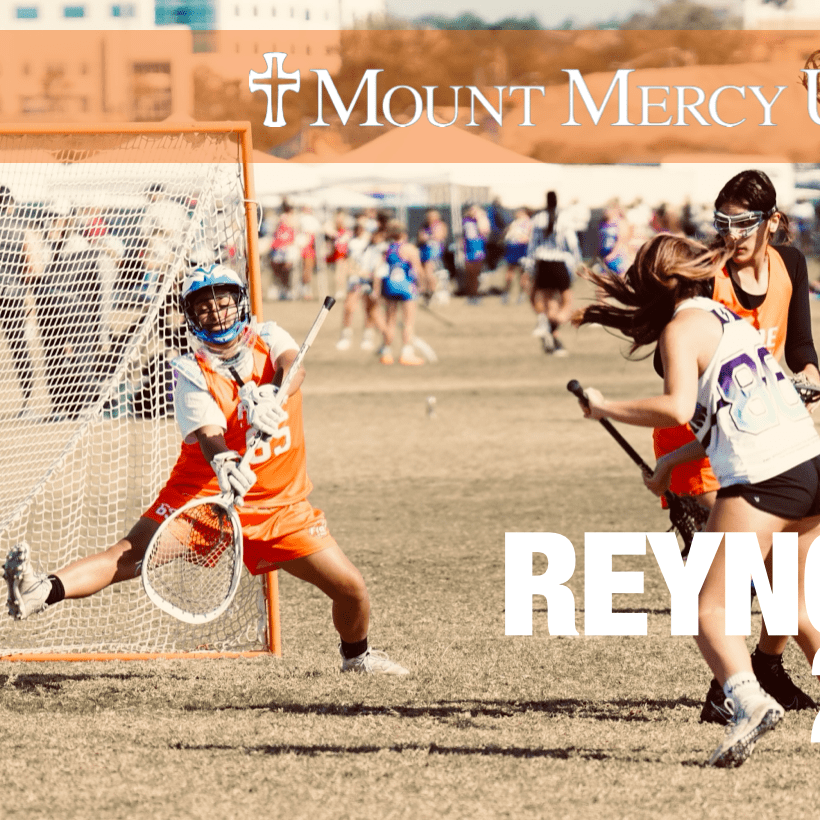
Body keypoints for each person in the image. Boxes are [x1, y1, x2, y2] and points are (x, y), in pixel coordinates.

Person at [4, 263, 408, 676]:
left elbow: (294, 365)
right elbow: (210, 435)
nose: (216, 312)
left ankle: (357, 658)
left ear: (240, 303)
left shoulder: (269, 335)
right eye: (204, 307)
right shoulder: (190, 372)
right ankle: (41, 590)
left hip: (281, 507)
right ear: (191, 316)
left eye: (223, 302)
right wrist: (224, 463)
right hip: (206, 497)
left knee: (351, 588)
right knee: (129, 555)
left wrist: (274, 393)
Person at [574, 232, 820, 767]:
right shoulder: (728, 320)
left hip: (767, 473)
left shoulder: (679, 330)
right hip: (809, 461)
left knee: (702, 605)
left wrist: (605, 407)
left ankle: (749, 702)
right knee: (789, 601)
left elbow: (676, 407)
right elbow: (720, 417)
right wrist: (669, 464)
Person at [652, 170, 820, 723]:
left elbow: (802, 349)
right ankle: (737, 685)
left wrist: (805, 383)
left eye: (744, 222)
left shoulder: (790, 264)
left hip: (770, 435)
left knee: (782, 578)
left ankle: (755, 674)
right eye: (722, 222)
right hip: (702, 439)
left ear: (772, 221)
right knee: (758, 571)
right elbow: (667, 361)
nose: (732, 234)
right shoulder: (709, 273)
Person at [525, 191, 581, 356]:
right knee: (566, 302)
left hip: (542, 263)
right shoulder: (564, 218)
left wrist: (530, 265)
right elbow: (572, 243)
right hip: (559, 262)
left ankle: (548, 328)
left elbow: (532, 244)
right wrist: (577, 262)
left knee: (548, 301)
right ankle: (554, 323)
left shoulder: (538, 218)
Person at [0, 185, 36, 416]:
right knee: (19, 346)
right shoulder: (20, 227)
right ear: (10, 205)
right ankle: (27, 403)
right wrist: (26, 291)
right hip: (13, 292)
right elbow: (30, 264)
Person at [376, 220, 425, 366]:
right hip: (406, 288)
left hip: (389, 287)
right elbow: (418, 269)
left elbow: (380, 269)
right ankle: (406, 353)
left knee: (390, 320)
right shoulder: (409, 248)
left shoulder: (387, 249)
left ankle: (386, 352)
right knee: (408, 322)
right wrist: (422, 285)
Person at [501, 207, 532, 304]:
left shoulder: (525, 222)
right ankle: (516, 294)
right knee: (518, 272)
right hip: (517, 247)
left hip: (519, 247)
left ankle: (513, 294)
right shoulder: (518, 222)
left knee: (519, 272)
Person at [417, 209, 448, 302]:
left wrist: (428, 237)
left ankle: (431, 291)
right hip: (424, 251)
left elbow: (439, 236)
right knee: (422, 272)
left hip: (434, 252)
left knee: (429, 271)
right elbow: (420, 238)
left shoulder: (440, 225)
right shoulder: (424, 226)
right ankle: (425, 290)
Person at [461, 204, 489, 303]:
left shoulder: (482, 220)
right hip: (468, 248)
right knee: (469, 273)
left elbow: (484, 231)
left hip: (478, 247)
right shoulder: (465, 221)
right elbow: (463, 235)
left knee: (476, 273)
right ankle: (470, 294)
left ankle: (476, 293)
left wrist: (479, 219)